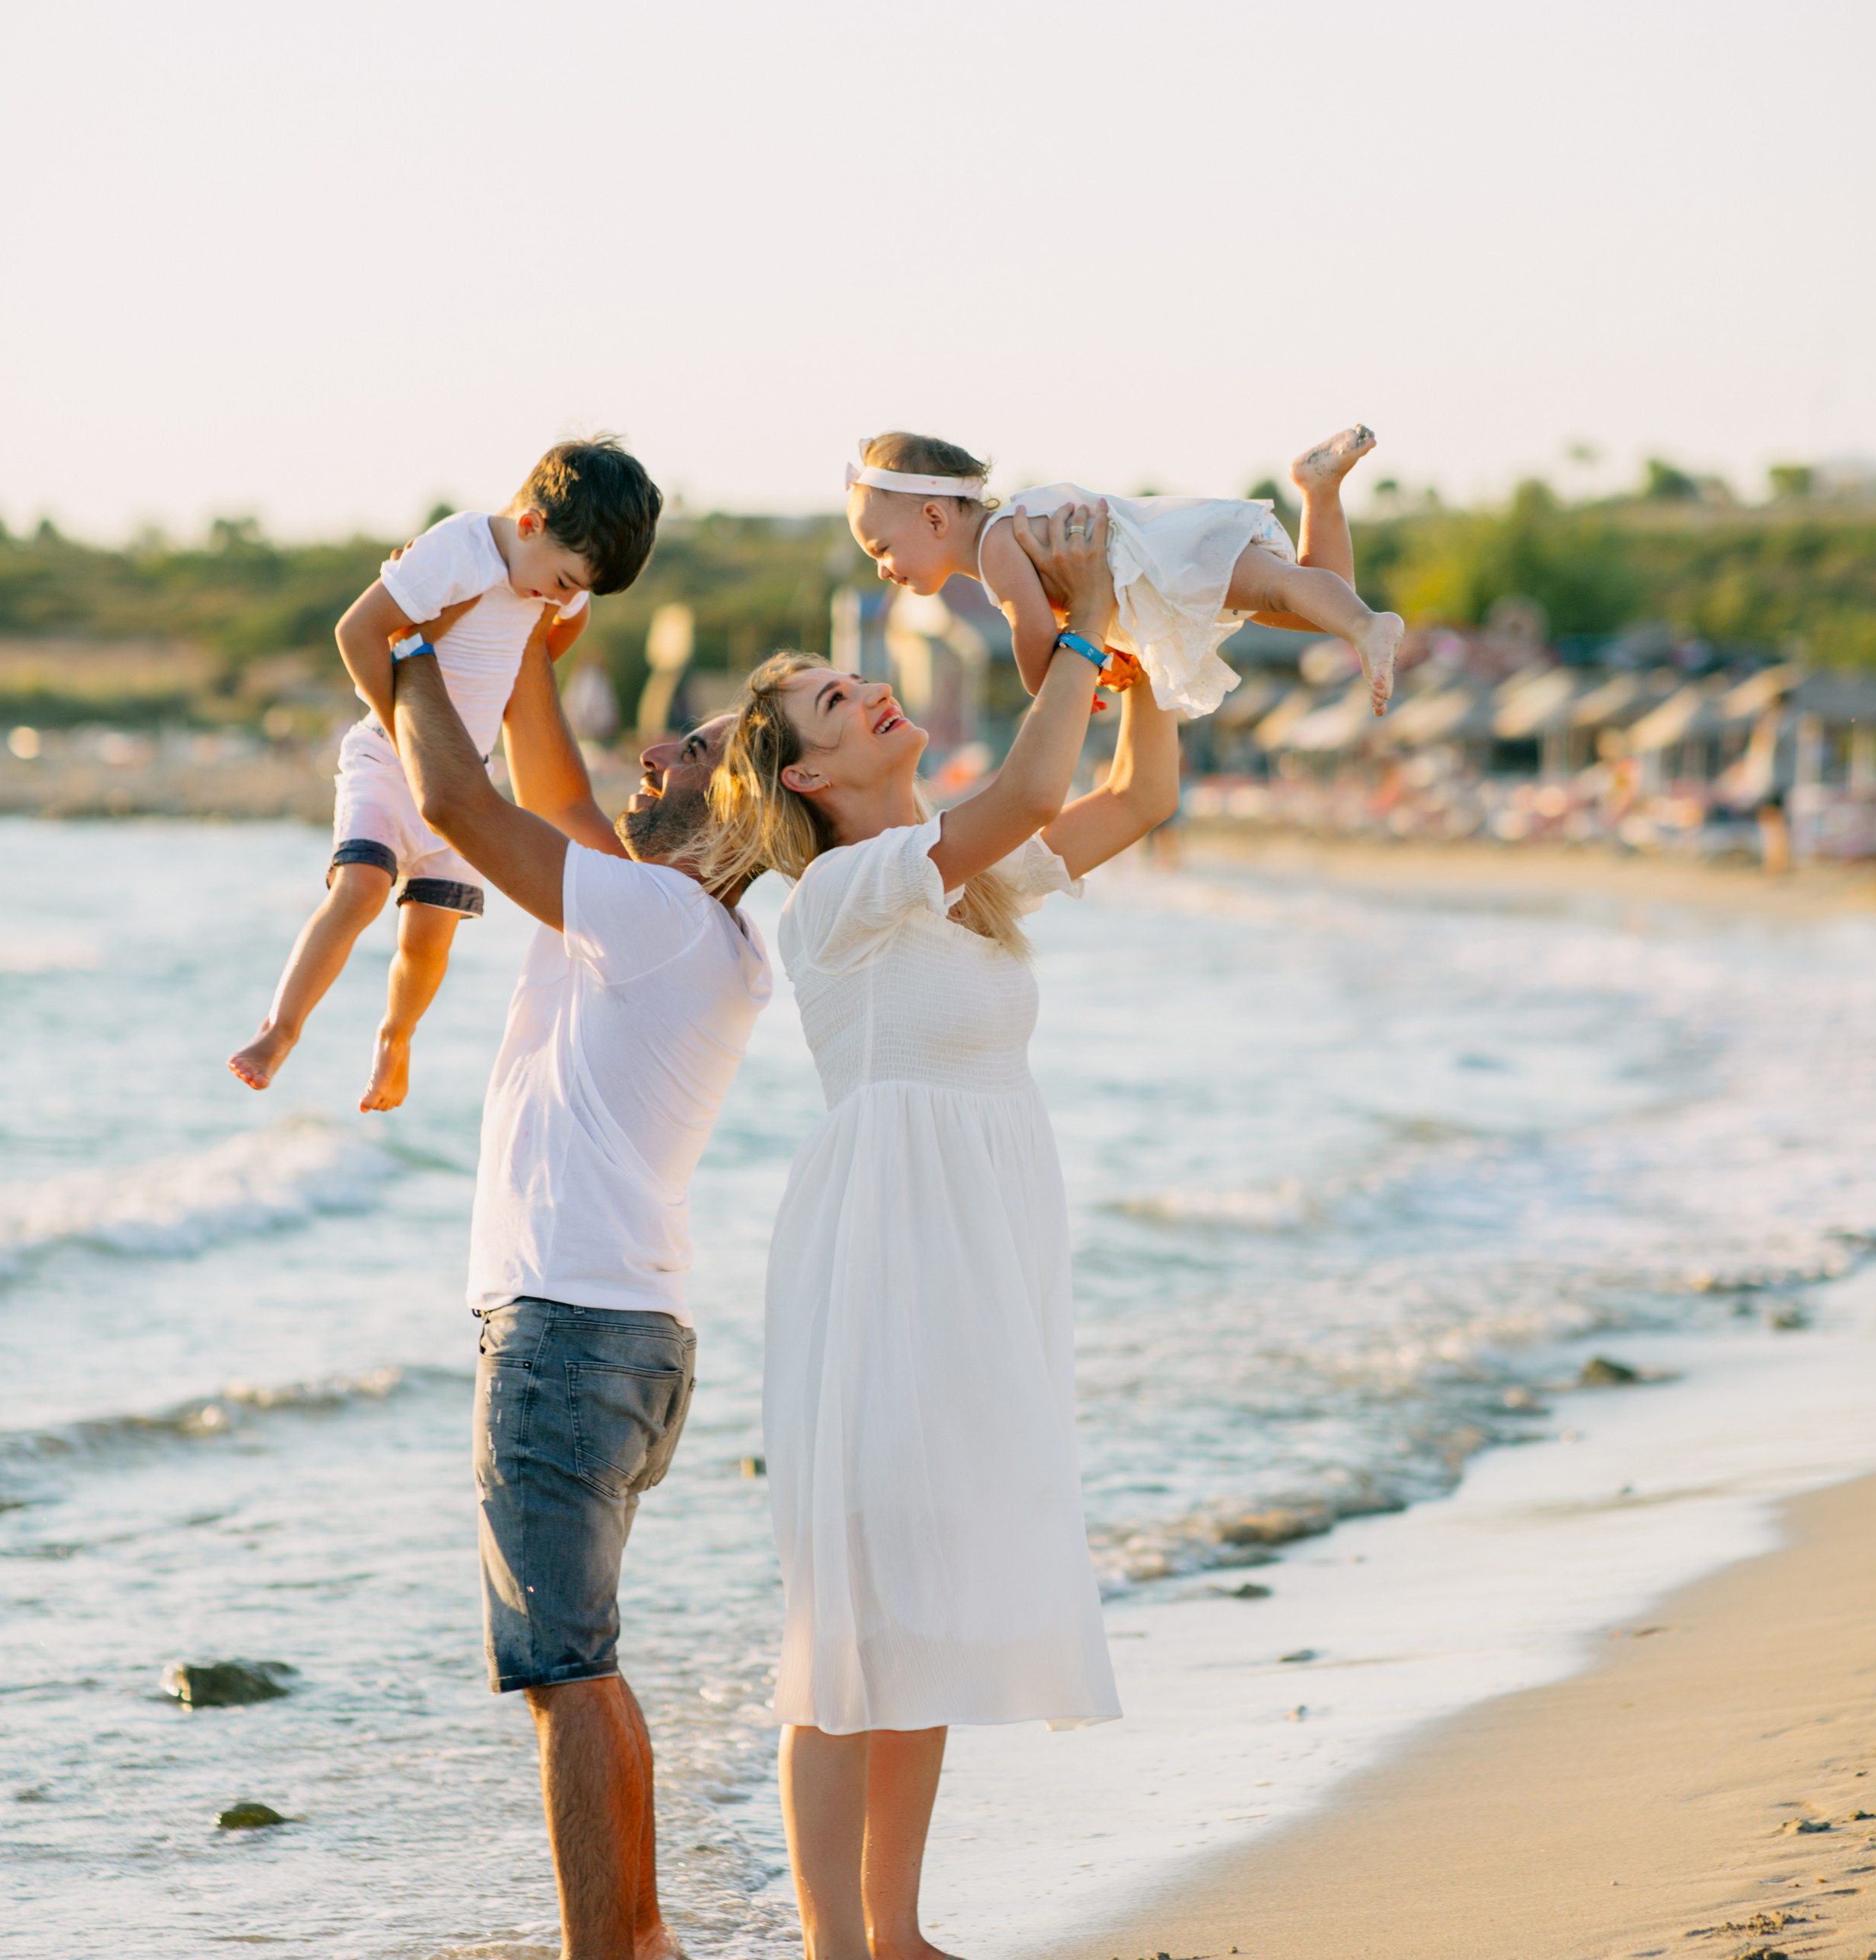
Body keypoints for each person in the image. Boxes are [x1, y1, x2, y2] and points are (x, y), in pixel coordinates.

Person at [700, 505, 1172, 1960]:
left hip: (978, 1251)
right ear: (811, 777)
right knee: (848, 1613)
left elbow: (1133, 798)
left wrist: (1138, 663)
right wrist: (1077, 619)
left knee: (927, 1600)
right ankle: (834, 1948)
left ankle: (895, 1936)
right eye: (835, 704)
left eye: (853, 680)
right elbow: (1037, 783)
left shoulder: (965, 887)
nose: (867, 692)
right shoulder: (836, 894)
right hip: (886, 1257)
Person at [387, 614, 770, 1960]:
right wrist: (533, 640)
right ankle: (638, 1939)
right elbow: (549, 788)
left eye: (700, 753)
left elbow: (453, 797)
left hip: (565, 1334)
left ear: (743, 815)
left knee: (568, 1668)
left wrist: (409, 643)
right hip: (626, 1334)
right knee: (581, 1659)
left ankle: (619, 1949)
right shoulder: (681, 923)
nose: (658, 751)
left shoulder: (657, 916)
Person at [227, 437, 662, 1111]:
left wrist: (544, 626)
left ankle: (396, 1039)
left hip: (468, 781)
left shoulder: (550, 582)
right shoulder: (459, 549)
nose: (568, 597)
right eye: (568, 582)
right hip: (386, 754)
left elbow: (550, 640)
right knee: (361, 890)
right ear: (530, 525)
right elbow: (358, 632)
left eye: (581, 590)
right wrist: (408, 732)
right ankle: (279, 1031)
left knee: (429, 939)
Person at [844, 425, 1401, 720]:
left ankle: (1371, 626)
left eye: (882, 548)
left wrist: (1053, 687)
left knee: (1287, 587)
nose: (881, 569)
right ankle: (1319, 488)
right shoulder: (1002, 539)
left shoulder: (996, 546)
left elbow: (1033, 631)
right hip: (1169, 569)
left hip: (1171, 557)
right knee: (1308, 603)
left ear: (936, 517)